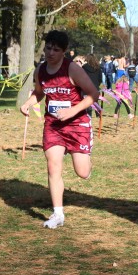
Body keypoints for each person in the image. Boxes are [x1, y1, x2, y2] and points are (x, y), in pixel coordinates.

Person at [19, 31, 100, 229]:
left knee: (82, 172)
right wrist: (28, 103)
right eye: (48, 48)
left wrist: (72, 110)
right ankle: (58, 214)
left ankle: (86, 159)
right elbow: (39, 93)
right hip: (53, 125)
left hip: (77, 124)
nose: (51, 53)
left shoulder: (72, 69)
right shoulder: (40, 70)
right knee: (53, 166)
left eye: (56, 49)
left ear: (64, 51)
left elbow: (93, 94)